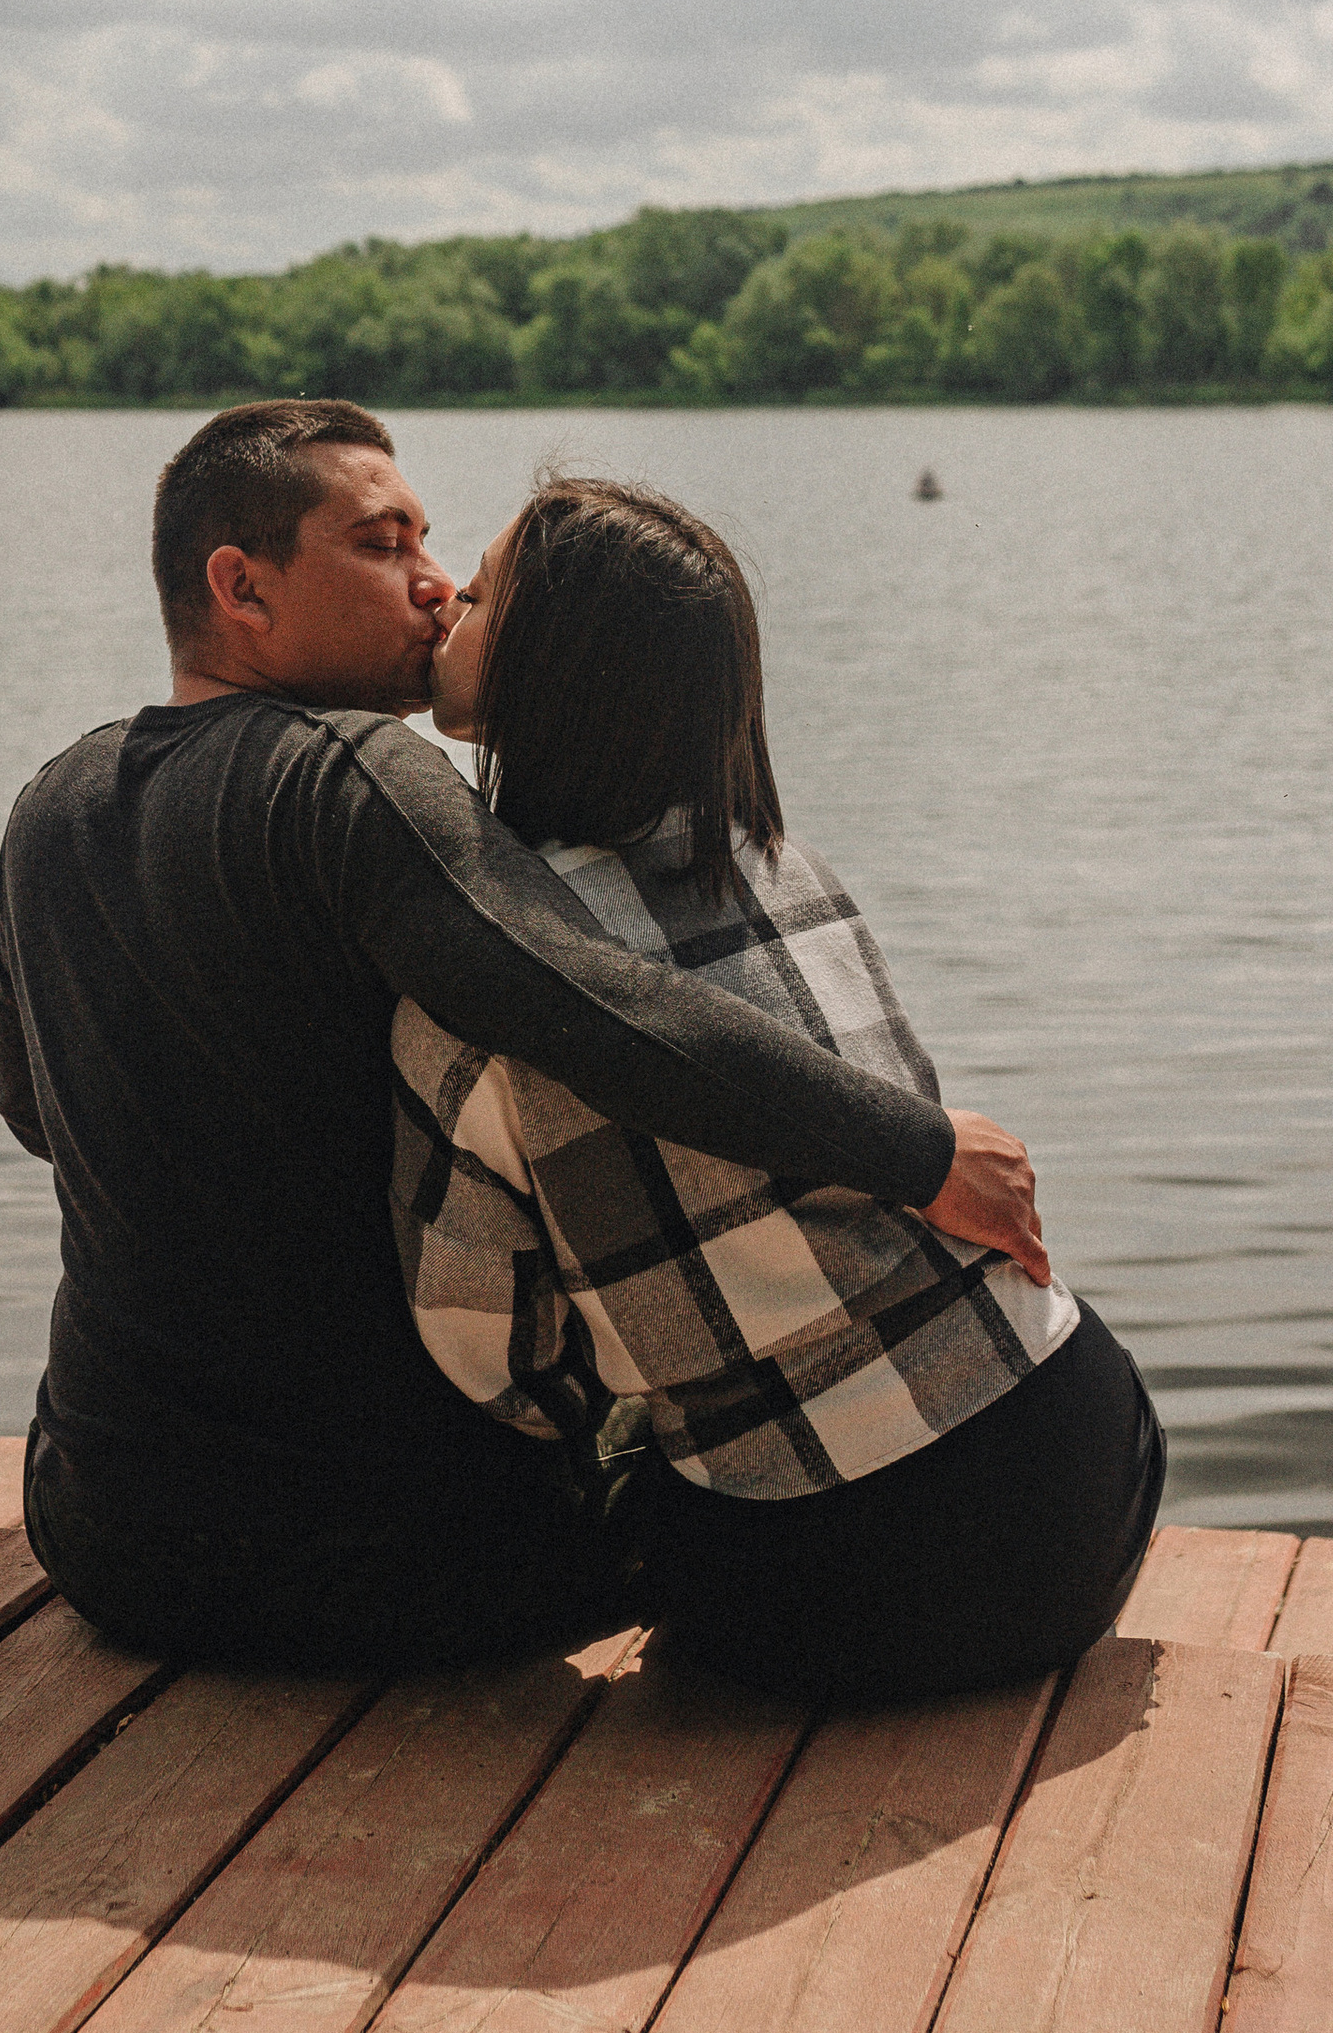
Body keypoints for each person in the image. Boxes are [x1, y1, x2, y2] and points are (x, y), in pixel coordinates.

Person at [0, 398, 1049, 1679]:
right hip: (405, 1568)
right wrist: (918, 1145)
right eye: (385, 545)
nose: (436, 587)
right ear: (241, 587)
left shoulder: (51, 803)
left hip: (98, 1531)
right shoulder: (346, 770)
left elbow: (34, 1115)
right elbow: (589, 1002)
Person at [391, 475, 1165, 1704]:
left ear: (552, 662)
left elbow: (482, 1343)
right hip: (1088, 1460)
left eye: (479, 592)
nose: (443, 602)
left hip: (851, 1579)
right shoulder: (780, 860)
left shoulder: (484, 984)